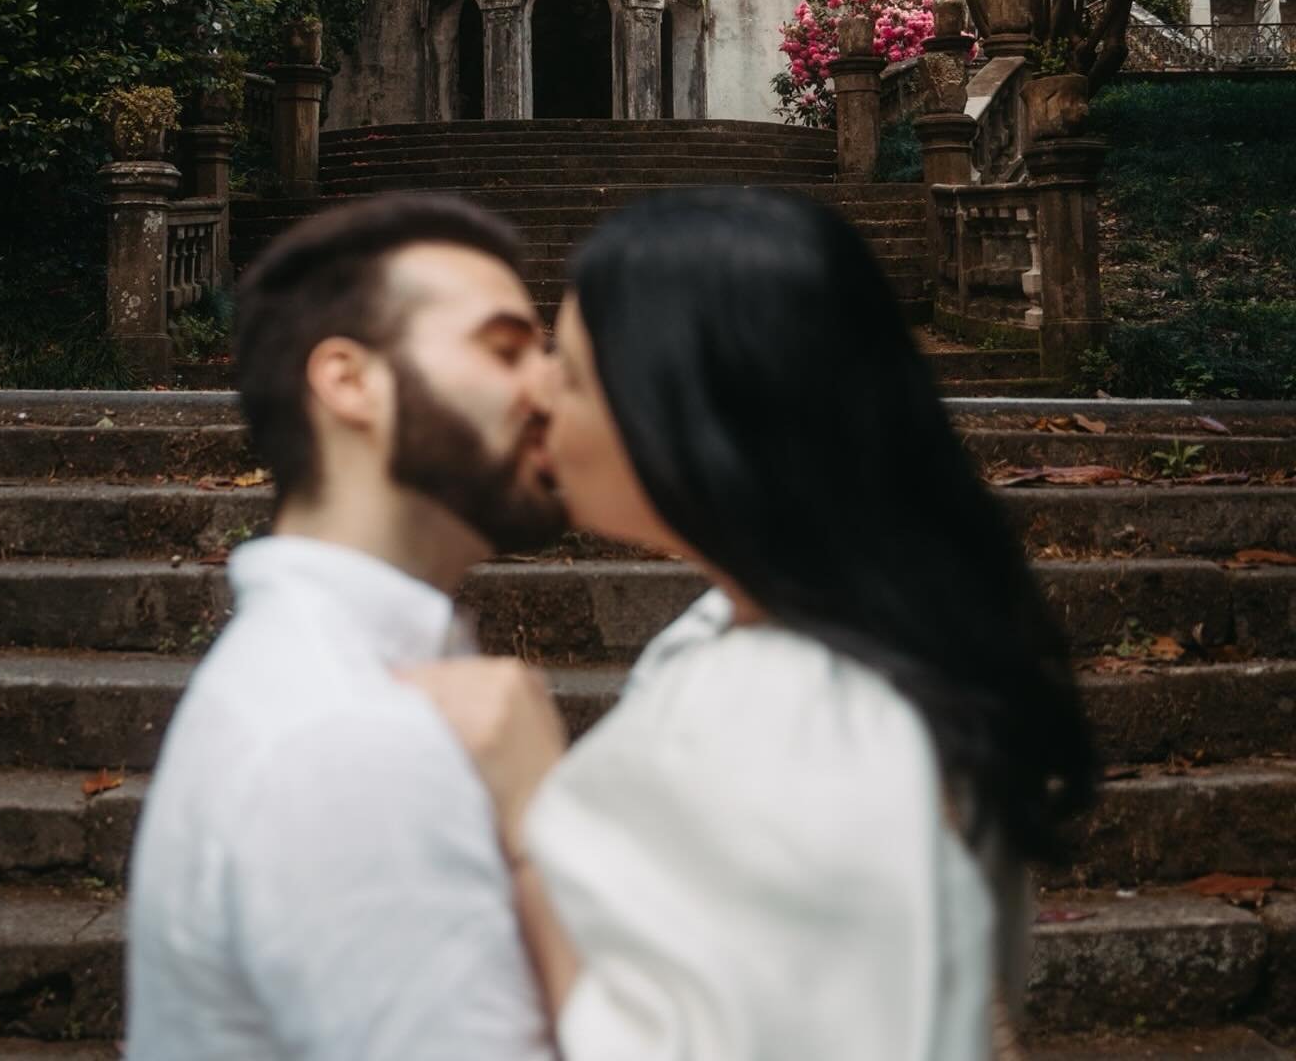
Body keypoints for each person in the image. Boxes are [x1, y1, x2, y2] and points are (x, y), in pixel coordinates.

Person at [411, 188, 1096, 1061]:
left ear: (691, 415)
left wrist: (526, 812)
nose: (534, 395)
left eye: (571, 371)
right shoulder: (806, 632)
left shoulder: (803, 715)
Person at [126, 194, 566, 1061]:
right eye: (506, 348)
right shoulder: (349, 737)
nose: (551, 389)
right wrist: (539, 820)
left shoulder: (339, 677)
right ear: (349, 381)